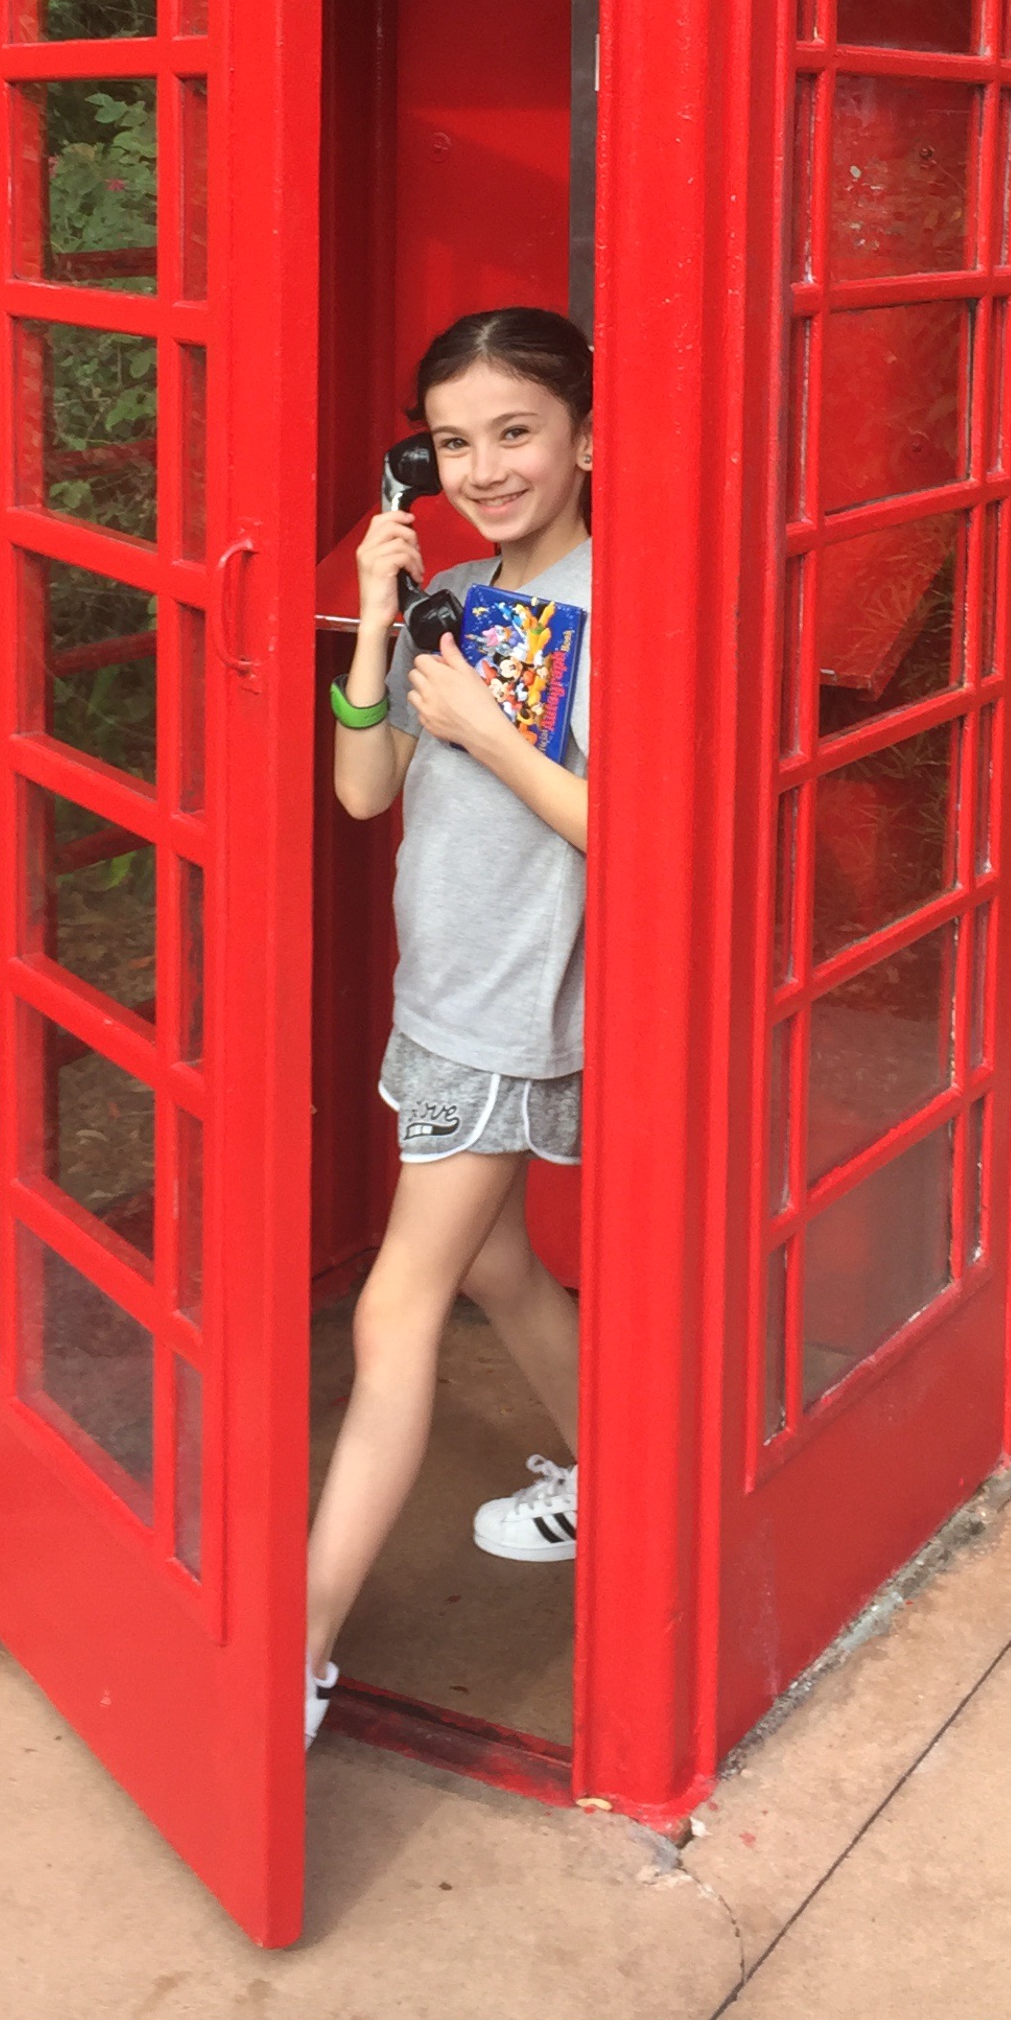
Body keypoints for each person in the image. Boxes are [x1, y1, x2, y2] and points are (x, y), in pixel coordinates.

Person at [304, 307, 594, 1746]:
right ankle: (623, 1481)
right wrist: (379, 614)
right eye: (455, 441)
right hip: (440, 993)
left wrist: (489, 732)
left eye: (517, 432)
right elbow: (364, 791)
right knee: (496, 1269)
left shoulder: (619, 605)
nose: (485, 468)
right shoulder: (466, 596)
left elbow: (638, 832)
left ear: (586, 438)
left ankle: (296, 1649)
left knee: (395, 1306)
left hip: (505, 1015)